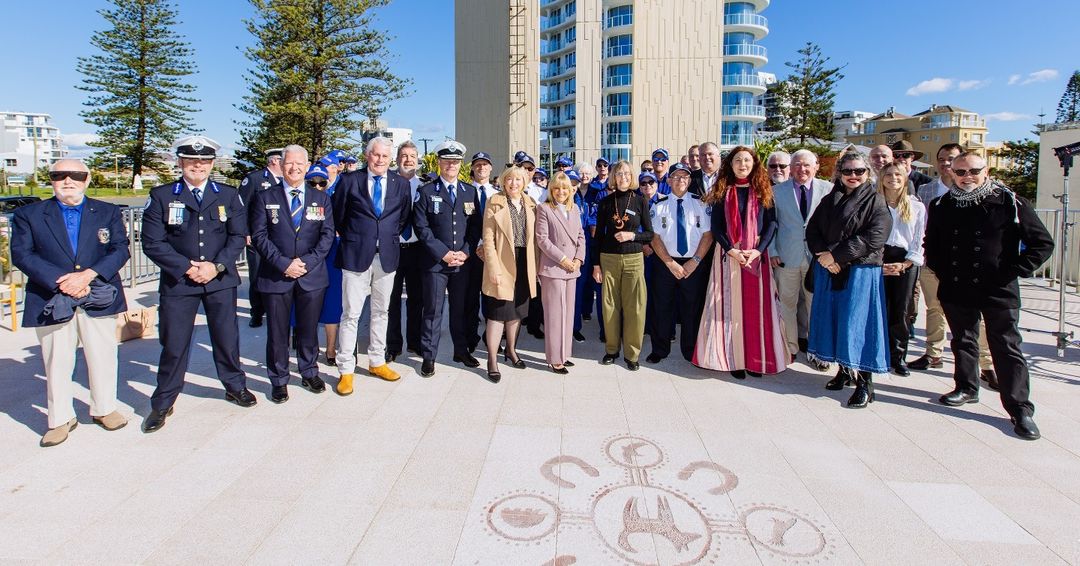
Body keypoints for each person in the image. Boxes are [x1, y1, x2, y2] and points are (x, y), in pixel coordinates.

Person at [925, 152, 1054, 440]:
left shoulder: (1009, 202)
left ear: (987, 170)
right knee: (963, 340)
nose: (966, 177)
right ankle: (966, 387)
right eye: (960, 172)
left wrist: (1013, 270)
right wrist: (942, 270)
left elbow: (1042, 244)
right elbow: (931, 243)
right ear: (951, 174)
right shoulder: (942, 204)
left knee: (1006, 346)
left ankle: (1019, 407)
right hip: (957, 285)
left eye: (973, 170)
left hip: (997, 288)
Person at [11, 159, 130, 446]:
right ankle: (60, 418)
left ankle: (104, 408)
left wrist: (88, 275)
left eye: (75, 175)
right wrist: (63, 280)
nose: (67, 181)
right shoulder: (31, 214)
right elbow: (23, 254)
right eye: (59, 175)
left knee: (102, 354)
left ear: (87, 179)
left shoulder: (107, 211)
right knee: (56, 360)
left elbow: (120, 249)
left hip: (98, 293)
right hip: (52, 295)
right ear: (50, 179)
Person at [141, 135, 254, 432]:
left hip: (219, 279)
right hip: (180, 282)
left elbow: (237, 236)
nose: (198, 166)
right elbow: (152, 242)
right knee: (174, 344)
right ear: (180, 162)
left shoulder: (228, 195)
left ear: (212, 163)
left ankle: (234, 385)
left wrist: (214, 266)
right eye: (192, 161)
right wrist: (187, 267)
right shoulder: (162, 195)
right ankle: (163, 402)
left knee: (227, 339)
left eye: (204, 161)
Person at [805, 152, 891, 408]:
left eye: (859, 171)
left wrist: (837, 257)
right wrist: (823, 255)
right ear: (839, 173)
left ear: (868, 173)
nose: (853, 176)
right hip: (828, 269)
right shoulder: (830, 199)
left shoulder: (875, 201)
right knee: (836, 321)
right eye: (848, 171)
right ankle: (843, 371)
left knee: (857, 325)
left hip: (860, 271)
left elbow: (875, 236)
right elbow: (813, 229)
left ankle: (866, 383)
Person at [249, 145, 334, 403]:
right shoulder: (265, 197)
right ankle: (279, 379)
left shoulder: (321, 198)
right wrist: (284, 263)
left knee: (308, 330)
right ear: (280, 164)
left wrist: (306, 262)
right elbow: (259, 236)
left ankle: (309, 371)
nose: (294, 168)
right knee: (277, 331)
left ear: (308, 167)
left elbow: (327, 235)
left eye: (299, 163)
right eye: (289, 163)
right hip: (277, 275)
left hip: (311, 275)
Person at [694, 146, 787, 378]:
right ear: (730, 164)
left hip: (757, 258)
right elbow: (716, 226)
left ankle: (756, 359)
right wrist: (732, 250)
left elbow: (771, 224)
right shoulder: (722, 190)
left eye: (747, 160)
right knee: (728, 310)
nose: (742, 164)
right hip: (728, 257)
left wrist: (758, 250)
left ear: (754, 163)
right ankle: (733, 358)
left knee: (757, 311)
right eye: (737, 160)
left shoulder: (763, 190)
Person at [332, 136, 412, 394]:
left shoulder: (401, 184)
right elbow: (339, 217)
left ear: (391, 159)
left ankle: (377, 361)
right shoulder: (349, 181)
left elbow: (402, 218)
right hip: (356, 255)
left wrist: (382, 238)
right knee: (351, 314)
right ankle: (346, 369)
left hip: (387, 257)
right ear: (368, 155)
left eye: (385, 156)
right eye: (376, 155)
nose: (380, 160)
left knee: (382, 312)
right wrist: (360, 238)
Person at [909, 144, 995, 385]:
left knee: (978, 316)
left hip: (972, 267)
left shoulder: (986, 193)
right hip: (934, 262)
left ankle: (986, 364)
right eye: (942, 159)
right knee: (935, 309)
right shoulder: (926, 190)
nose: (946, 164)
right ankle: (933, 353)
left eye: (952, 159)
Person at [413, 140, 483, 377]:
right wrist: (443, 253)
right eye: (447, 161)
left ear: (460, 164)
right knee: (433, 311)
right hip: (435, 263)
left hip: (462, 263)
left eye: (455, 161)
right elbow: (422, 228)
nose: (451, 165)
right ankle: (428, 356)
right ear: (439, 163)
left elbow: (475, 228)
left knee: (461, 310)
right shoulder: (426, 191)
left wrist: (464, 251)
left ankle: (461, 351)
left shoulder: (469, 191)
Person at [768, 149, 831, 369]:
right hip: (786, 257)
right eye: (796, 165)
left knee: (816, 306)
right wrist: (772, 251)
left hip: (818, 259)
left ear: (816, 166)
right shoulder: (776, 192)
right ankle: (790, 348)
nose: (801, 169)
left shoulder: (829, 190)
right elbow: (771, 224)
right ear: (790, 168)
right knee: (786, 304)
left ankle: (817, 351)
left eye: (806, 165)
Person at [644, 163, 712, 363]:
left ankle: (690, 350)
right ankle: (660, 349)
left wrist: (695, 261)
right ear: (668, 180)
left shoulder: (701, 203)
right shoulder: (659, 205)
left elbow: (708, 236)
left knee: (692, 309)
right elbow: (655, 238)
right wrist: (669, 263)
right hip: (666, 263)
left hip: (693, 263)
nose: (681, 180)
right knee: (662, 307)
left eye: (685, 177)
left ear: (690, 181)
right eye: (676, 176)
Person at [592, 160, 654, 370]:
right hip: (608, 258)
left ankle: (632, 354)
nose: (623, 177)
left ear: (632, 175)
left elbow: (650, 234)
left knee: (635, 308)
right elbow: (598, 236)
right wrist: (595, 265)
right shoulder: (605, 202)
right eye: (619, 174)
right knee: (610, 307)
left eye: (627, 173)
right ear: (613, 177)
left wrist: (632, 235)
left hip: (634, 259)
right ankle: (611, 349)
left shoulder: (640, 200)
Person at [480, 166, 537, 382]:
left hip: (525, 262)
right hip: (502, 262)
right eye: (510, 179)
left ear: (524, 182)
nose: (514, 183)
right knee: (497, 314)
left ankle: (511, 350)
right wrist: (493, 268)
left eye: (519, 180)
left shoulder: (531, 203)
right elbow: (488, 238)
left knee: (517, 312)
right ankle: (492, 360)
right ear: (503, 181)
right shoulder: (494, 201)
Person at [876, 163, 926, 377]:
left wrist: (905, 264)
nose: (893, 178)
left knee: (901, 311)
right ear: (881, 178)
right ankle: (878, 354)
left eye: (898, 174)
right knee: (878, 309)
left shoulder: (916, 207)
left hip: (905, 262)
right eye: (888, 174)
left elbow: (919, 239)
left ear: (906, 178)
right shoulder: (874, 203)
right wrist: (880, 264)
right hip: (879, 259)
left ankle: (898, 357)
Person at [535, 172, 586, 374]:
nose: (561, 192)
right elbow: (543, 240)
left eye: (565, 188)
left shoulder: (574, 210)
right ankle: (554, 358)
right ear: (551, 190)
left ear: (571, 190)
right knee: (555, 315)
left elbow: (581, 237)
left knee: (568, 314)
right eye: (557, 188)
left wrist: (578, 260)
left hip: (572, 269)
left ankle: (564, 354)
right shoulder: (545, 208)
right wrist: (564, 259)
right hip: (554, 268)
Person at [386, 141, 424, 362]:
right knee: (391, 300)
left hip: (418, 249)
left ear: (417, 159)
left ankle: (415, 342)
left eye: (412, 155)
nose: (408, 159)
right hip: (394, 247)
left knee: (417, 298)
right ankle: (393, 344)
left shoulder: (426, 185)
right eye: (404, 155)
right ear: (397, 158)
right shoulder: (389, 183)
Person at [239, 147, 283, 328]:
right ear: (274, 160)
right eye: (284, 159)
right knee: (257, 274)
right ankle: (256, 312)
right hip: (257, 236)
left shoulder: (286, 180)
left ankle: (274, 310)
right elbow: (241, 207)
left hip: (278, 238)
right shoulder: (255, 179)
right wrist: (245, 232)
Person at [465, 150, 497, 352]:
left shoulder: (497, 194)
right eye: (477, 164)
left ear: (491, 168)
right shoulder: (465, 192)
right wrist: (476, 246)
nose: (481, 168)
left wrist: (487, 247)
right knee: (470, 298)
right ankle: (471, 336)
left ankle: (491, 337)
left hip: (492, 254)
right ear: (472, 168)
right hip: (471, 252)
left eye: (485, 164)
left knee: (492, 298)